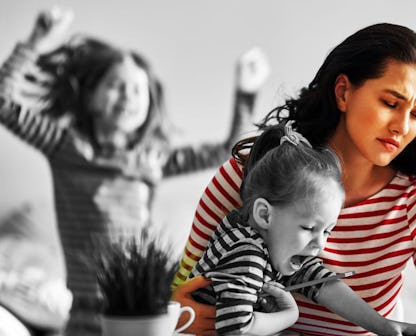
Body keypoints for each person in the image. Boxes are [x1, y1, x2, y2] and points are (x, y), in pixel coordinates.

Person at [171, 22, 416, 335]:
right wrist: (180, 315)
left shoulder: (413, 204)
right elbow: (181, 288)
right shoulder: (257, 173)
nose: (402, 126)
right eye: (390, 103)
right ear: (343, 92)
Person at [0, 7, 270, 336]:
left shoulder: (151, 158)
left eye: (138, 89)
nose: (129, 96)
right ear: (91, 96)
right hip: (84, 310)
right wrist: (34, 42)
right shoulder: (65, 147)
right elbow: (4, 103)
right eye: (117, 85)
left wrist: (246, 92)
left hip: (141, 307)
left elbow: (228, 148)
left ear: (149, 104)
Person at [189, 122, 416, 335]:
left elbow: (322, 282)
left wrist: (383, 325)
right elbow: (236, 328)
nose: (320, 244)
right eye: (309, 227)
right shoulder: (247, 255)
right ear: (265, 214)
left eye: (327, 231)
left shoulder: (269, 243)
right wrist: (290, 315)